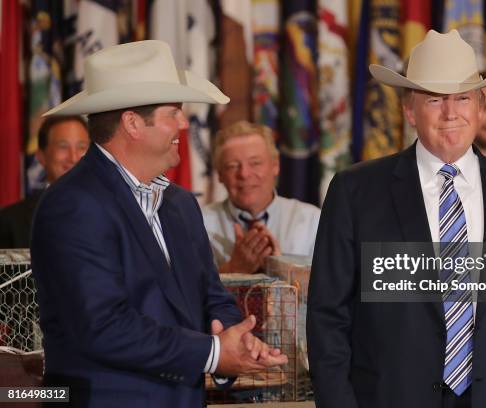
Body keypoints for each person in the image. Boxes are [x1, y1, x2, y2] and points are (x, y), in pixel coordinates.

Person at [307, 30, 486, 408]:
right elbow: (328, 318)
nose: (451, 113)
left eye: (462, 98)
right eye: (435, 99)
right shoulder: (355, 192)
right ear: (409, 110)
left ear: (480, 106)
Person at [31, 40, 286, 408]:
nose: (185, 123)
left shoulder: (181, 204)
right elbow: (103, 327)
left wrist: (238, 341)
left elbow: (211, 296)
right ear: (132, 123)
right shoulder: (72, 204)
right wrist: (214, 353)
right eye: (174, 112)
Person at [203, 121, 320, 274]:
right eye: (232, 166)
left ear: (275, 166)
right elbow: (187, 294)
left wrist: (281, 269)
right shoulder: (199, 223)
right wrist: (232, 270)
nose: (244, 174)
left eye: (255, 163)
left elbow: (331, 288)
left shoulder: (312, 221)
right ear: (219, 174)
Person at [0, 115, 89, 248]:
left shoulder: (115, 211)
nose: (73, 157)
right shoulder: (10, 221)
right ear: (41, 156)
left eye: (81, 147)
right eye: (63, 146)